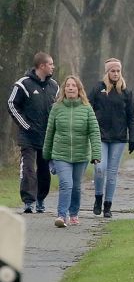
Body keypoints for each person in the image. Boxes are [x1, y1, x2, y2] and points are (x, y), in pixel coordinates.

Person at [42, 76, 101, 228]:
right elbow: (49, 132)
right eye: (67, 85)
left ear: (79, 89)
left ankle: (74, 213)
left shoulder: (87, 108)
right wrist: (47, 155)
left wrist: (96, 155)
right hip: (61, 154)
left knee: (76, 186)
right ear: (63, 90)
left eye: (73, 85)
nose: (70, 88)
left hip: (80, 155)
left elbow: (94, 132)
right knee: (65, 184)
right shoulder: (57, 108)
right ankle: (62, 215)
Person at [7, 52, 59, 214]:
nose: (53, 67)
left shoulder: (54, 86)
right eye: (50, 64)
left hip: (46, 137)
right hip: (28, 136)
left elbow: (58, 108)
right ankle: (29, 202)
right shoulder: (23, 84)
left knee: (44, 170)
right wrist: (26, 125)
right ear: (42, 66)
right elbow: (12, 105)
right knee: (28, 168)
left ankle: (41, 200)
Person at [89, 58, 134, 219]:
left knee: (112, 173)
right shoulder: (98, 89)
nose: (116, 73)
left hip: (118, 138)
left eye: (118, 71)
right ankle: (98, 198)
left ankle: (108, 205)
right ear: (107, 72)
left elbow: (132, 116)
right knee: (99, 169)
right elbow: (87, 109)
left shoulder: (126, 92)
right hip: (100, 136)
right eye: (112, 71)